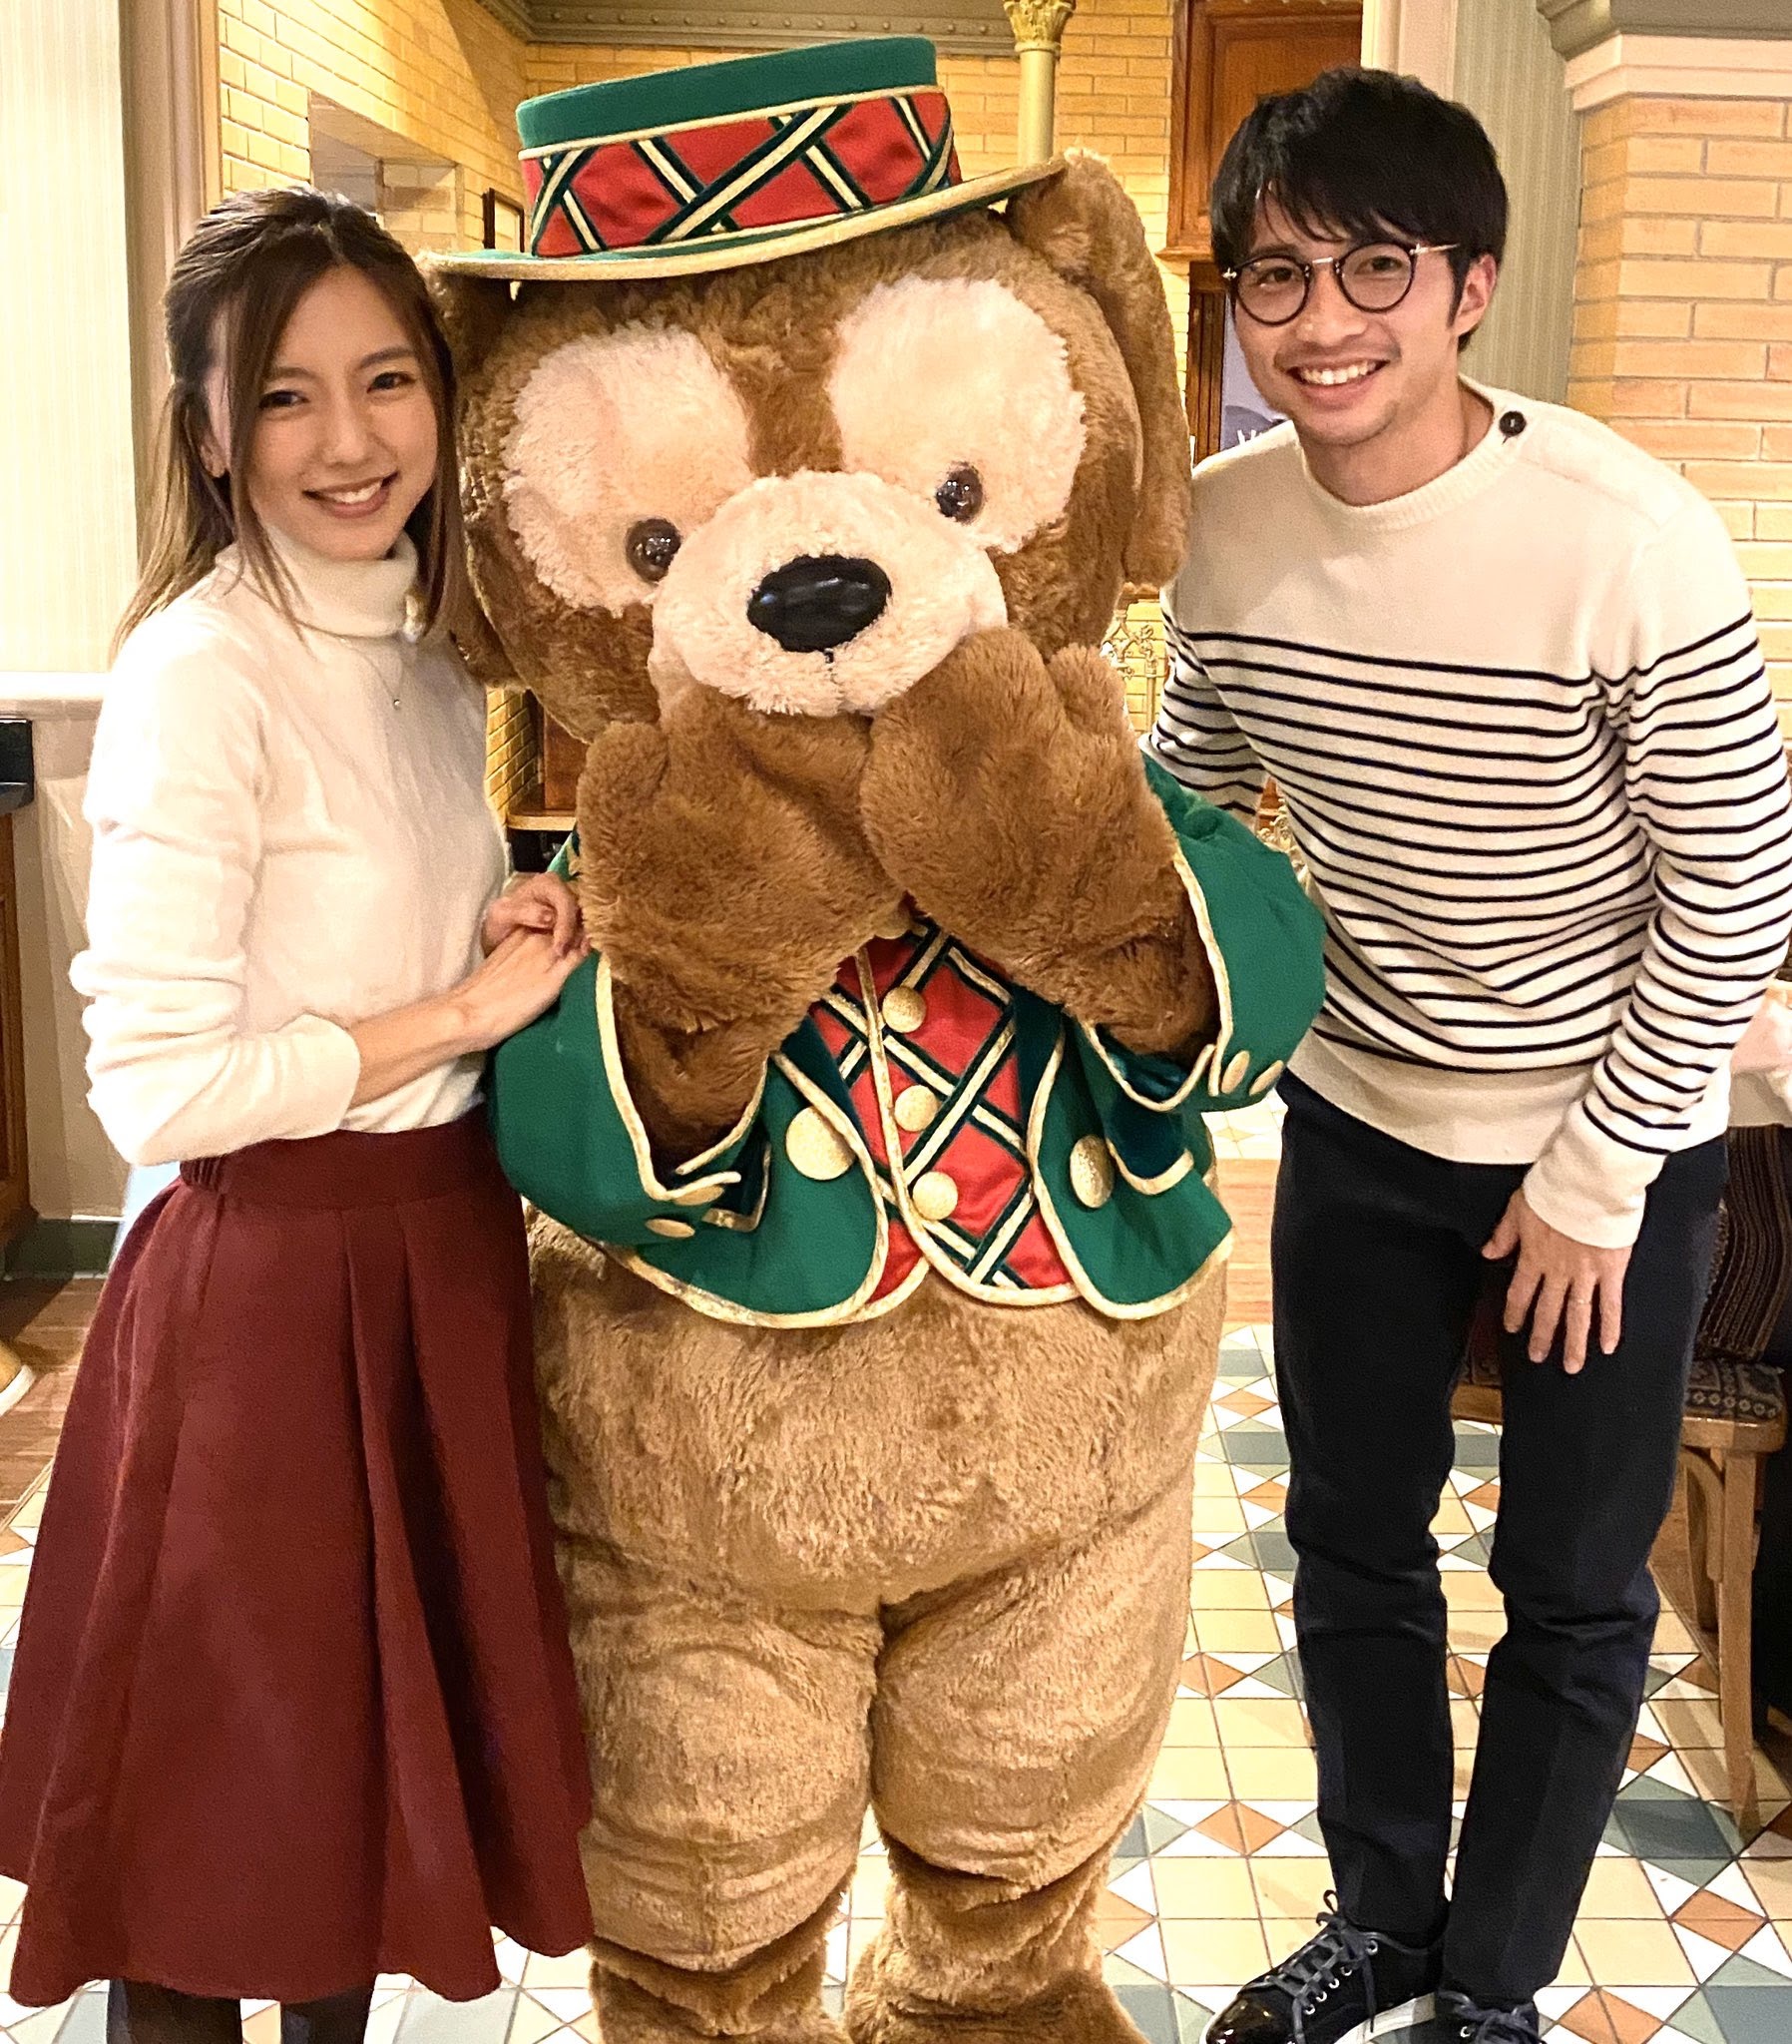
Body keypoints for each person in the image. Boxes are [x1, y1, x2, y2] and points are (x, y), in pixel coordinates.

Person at [1149, 68, 1792, 2044]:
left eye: (1375, 269)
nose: (1322, 322)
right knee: (1350, 1541)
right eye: (1277, 276)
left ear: (1468, 286)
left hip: (1606, 1145)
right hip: (1359, 1117)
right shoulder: (1224, 527)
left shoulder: (1624, 538)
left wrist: (1597, 1182)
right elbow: (1194, 783)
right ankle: (1379, 1921)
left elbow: (1735, 897)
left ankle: (1493, 1985)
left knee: (1572, 1583)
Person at [0, 188, 595, 2038]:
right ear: (206, 434)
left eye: (387, 379)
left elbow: (353, 952)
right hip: (268, 1304)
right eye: (283, 394)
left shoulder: (420, 657)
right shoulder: (202, 670)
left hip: (432, 1265)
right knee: (210, 1862)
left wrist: (495, 930)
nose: (349, 439)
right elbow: (157, 1086)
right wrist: (459, 1012)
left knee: (358, 1838)